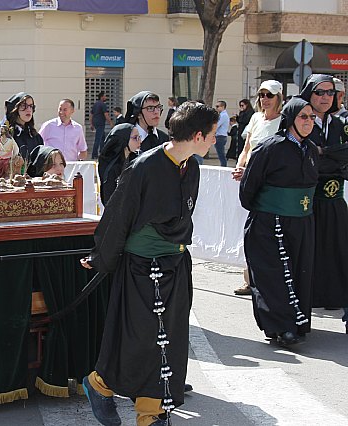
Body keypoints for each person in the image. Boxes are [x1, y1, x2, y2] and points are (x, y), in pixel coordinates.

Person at [81, 102, 219, 426]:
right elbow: (118, 214)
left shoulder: (192, 168)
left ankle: (150, 413)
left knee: (169, 342)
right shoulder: (143, 167)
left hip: (175, 264)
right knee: (141, 341)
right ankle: (100, 384)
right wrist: (102, 256)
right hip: (143, 268)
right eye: (212, 135)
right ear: (198, 135)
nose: (215, 141)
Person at [239, 96, 319, 347]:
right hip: (270, 222)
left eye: (312, 117)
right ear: (290, 119)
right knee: (274, 275)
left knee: (298, 272)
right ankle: (280, 326)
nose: (308, 121)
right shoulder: (271, 147)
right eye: (303, 117)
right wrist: (268, 210)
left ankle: (296, 322)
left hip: (302, 222)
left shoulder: (311, 149)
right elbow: (248, 187)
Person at [299, 74, 348, 331]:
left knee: (339, 251)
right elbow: (304, 159)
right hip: (307, 200)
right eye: (320, 92)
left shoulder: (340, 124)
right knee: (308, 253)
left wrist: (325, 153)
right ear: (309, 93)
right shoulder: (299, 121)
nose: (325, 97)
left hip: (335, 200)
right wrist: (332, 157)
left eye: (330, 92)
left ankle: (335, 299)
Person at [231, 80, 283, 296]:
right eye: (261, 95)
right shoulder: (255, 118)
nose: (264, 99)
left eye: (269, 95)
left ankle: (269, 281)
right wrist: (240, 165)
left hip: (270, 184)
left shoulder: (285, 121)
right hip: (249, 181)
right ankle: (249, 279)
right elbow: (246, 148)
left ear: (279, 98)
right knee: (247, 231)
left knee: (267, 233)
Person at [97, 123, 139, 205]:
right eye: (135, 138)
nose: (140, 141)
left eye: (139, 137)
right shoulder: (111, 169)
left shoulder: (137, 159)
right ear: (124, 140)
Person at [5, 92, 43, 166]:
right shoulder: (6, 135)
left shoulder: (36, 137)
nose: (29, 110)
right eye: (23, 106)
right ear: (15, 109)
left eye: (31, 106)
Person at [90, 92, 113, 159]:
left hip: (96, 123)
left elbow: (91, 115)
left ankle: (102, 152)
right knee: (98, 139)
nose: (106, 97)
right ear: (102, 97)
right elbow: (106, 115)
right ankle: (94, 154)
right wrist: (111, 123)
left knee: (102, 138)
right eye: (105, 96)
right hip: (100, 123)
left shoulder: (95, 104)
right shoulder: (103, 105)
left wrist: (91, 124)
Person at [214, 101, 230, 167]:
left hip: (220, 136)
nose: (216, 108)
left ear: (223, 107)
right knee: (220, 153)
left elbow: (217, 125)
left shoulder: (223, 115)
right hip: (220, 136)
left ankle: (224, 165)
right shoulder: (222, 115)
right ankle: (223, 165)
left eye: (218, 106)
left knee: (221, 153)